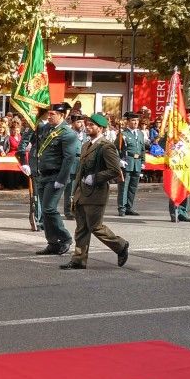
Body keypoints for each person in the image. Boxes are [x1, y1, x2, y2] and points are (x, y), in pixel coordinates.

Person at [60, 113, 130, 270]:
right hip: (82, 192)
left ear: (101, 128)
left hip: (96, 193)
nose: (88, 127)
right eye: (88, 124)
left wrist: (96, 177)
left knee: (95, 227)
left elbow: (114, 170)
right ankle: (79, 260)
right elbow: (79, 172)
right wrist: (75, 190)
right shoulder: (86, 145)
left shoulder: (106, 146)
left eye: (92, 125)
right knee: (81, 228)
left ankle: (120, 245)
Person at [32, 103, 79, 255]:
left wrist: (62, 179)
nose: (49, 116)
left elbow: (68, 158)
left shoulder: (67, 133)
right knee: (45, 211)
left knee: (49, 208)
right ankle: (52, 242)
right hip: (43, 174)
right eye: (49, 113)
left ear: (62, 115)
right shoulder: (47, 128)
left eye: (52, 114)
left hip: (56, 176)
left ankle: (65, 238)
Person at [168, 108, 190, 223]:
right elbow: (168, 144)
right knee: (175, 189)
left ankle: (183, 212)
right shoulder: (178, 130)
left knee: (186, 188)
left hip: (189, 165)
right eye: (189, 115)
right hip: (177, 164)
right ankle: (173, 212)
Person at [117, 111, 146, 217]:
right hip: (127, 162)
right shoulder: (123, 134)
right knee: (124, 186)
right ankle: (122, 208)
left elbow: (142, 149)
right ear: (128, 122)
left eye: (137, 120)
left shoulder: (140, 134)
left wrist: (143, 161)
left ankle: (129, 207)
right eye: (133, 120)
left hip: (137, 163)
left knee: (133, 186)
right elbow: (116, 149)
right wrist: (120, 160)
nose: (135, 122)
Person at [63, 113, 87, 219]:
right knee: (70, 189)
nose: (81, 124)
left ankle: (77, 209)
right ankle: (68, 211)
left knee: (80, 189)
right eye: (78, 122)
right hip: (72, 162)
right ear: (73, 123)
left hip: (82, 162)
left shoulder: (85, 134)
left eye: (82, 122)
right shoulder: (69, 133)